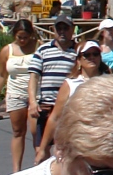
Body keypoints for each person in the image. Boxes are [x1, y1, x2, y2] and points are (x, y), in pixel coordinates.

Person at [35, 42, 111, 161]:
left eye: (95, 54)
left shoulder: (110, 81)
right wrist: (43, 149)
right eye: (87, 55)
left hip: (103, 141)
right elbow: (55, 117)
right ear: (79, 60)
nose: (92, 57)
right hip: (76, 142)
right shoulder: (70, 84)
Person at [29, 16, 79, 156]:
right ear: (54, 30)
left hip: (69, 108)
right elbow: (34, 77)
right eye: (59, 29)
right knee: (41, 149)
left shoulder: (79, 51)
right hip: (47, 106)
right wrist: (32, 102)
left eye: (66, 28)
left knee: (66, 150)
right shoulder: (43, 50)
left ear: (72, 30)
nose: (62, 32)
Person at [0, 22, 37, 171]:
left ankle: (38, 165)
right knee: (18, 131)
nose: (23, 40)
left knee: (36, 130)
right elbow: (1, 74)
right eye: (20, 37)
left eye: (26, 37)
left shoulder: (39, 47)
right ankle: (16, 170)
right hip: (15, 93)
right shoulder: (8, 50)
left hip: (35, 94)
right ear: (15, 35)